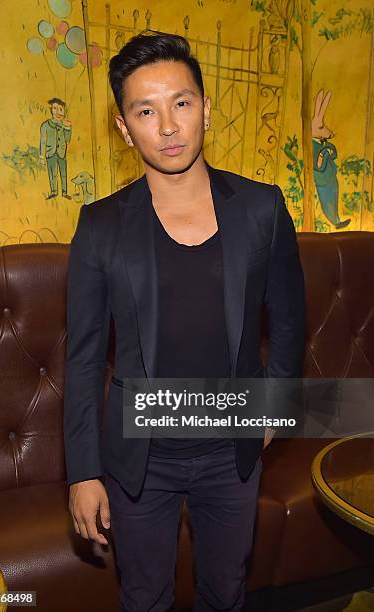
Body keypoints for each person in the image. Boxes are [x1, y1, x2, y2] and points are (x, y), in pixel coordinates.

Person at [63, 32, 305, 612]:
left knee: (226, 594)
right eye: (145, 110)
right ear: (124, 128)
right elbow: (84, 357)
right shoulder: (100, 226)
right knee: (144, 597)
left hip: (232, 451)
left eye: (182, 102)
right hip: (138, 457)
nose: (168, 126)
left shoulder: (262, 208)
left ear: (206, 109)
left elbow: (291, 322)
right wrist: (82, 471)